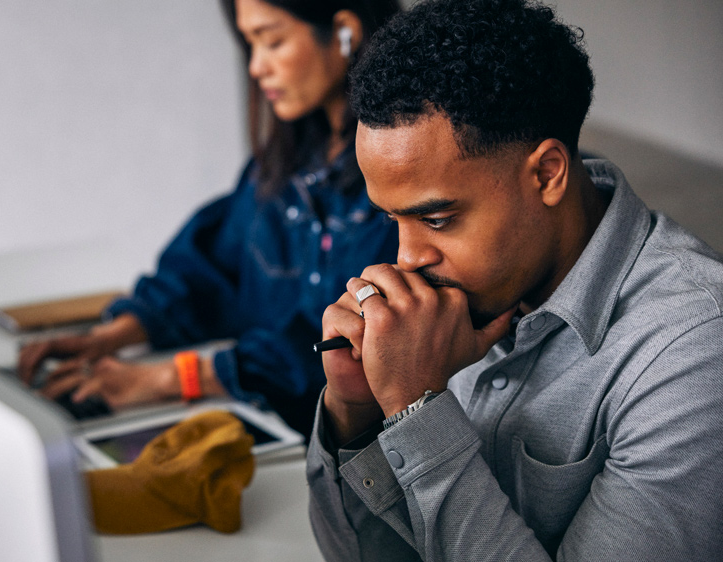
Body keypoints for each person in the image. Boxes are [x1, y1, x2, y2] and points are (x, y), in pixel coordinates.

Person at [307, 0, 723, 560]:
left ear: (547, 174)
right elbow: (354, 555)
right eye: (393, 218)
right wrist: (356, 414)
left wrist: (416, 411)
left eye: (436, 219)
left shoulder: (694, 353)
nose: (406, 259)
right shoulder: (453, 296)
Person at [18, 0, 401, 436]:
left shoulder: (398, 183)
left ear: (345, 32)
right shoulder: (286, 166)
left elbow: (342, 347)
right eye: (249, 45)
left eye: (272, 41)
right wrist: (110, 336)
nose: (256, 67)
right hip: (271, 420)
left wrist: (168, 378)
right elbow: (211, 269)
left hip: (348, 448)